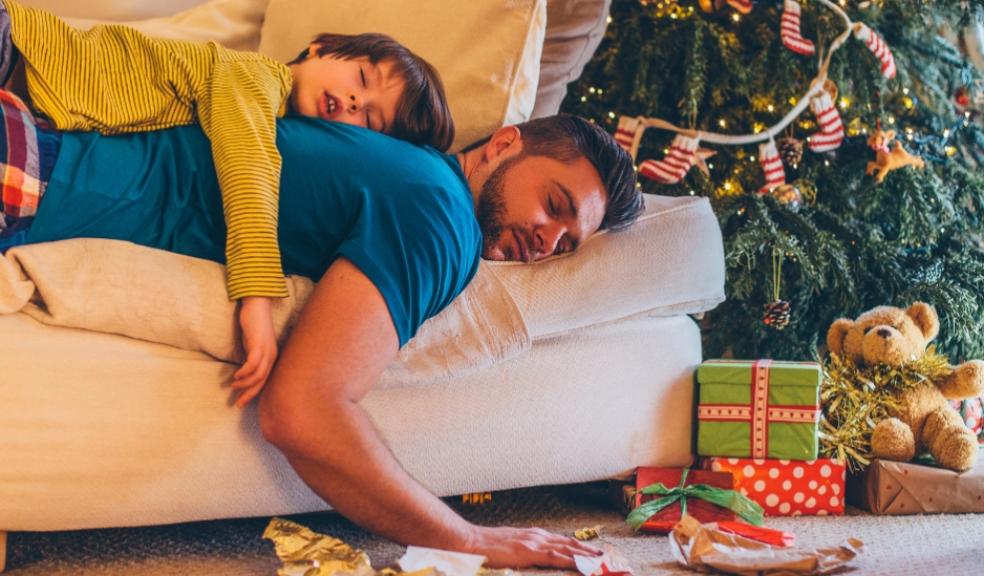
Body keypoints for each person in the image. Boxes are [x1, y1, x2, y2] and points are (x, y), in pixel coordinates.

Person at [2, 105, 643, 568]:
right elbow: (302, 411)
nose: (546, 242)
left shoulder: (411, 170)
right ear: (505, 144)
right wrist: (471, 537)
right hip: (32, 186)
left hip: (37, 160)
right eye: (554, 204)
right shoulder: (442, 220)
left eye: (567, 244)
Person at [0, 0, 454, 405]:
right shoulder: (253, 77)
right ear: (318, 47)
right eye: (361, 78)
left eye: (369, 119)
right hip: (21, 50)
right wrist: (257, 296)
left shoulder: (283, 127)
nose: (355, 100)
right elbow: (247, 163)